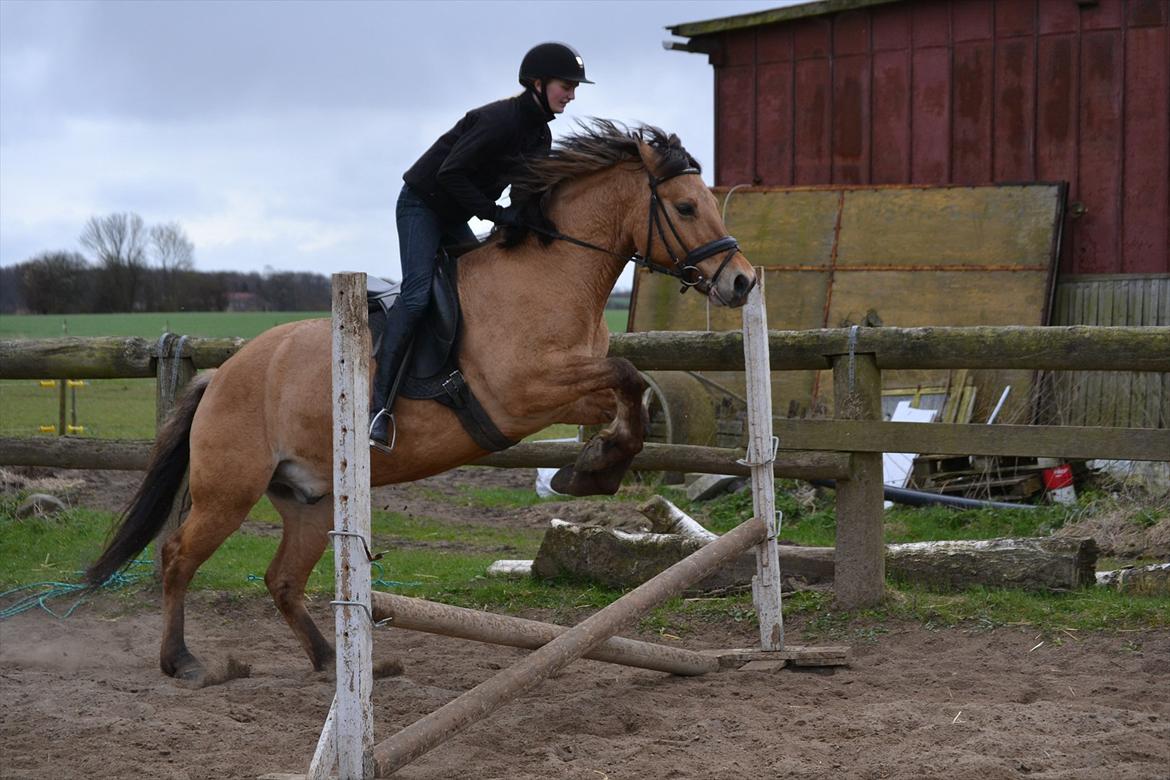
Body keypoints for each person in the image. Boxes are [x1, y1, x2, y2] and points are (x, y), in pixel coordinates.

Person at [370, 42, 592, 450]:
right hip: (422, 204)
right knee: (418, 296)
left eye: (575, 87)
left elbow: (525, 194)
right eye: (567, 85)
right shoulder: (499, 120)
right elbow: (451, 173)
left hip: (454, 214)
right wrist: (495, 213)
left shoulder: (540, 135)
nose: (572, 95)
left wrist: (538, 225)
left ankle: (451, 381)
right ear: (538, 83)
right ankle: (378, 407)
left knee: (479, 292)